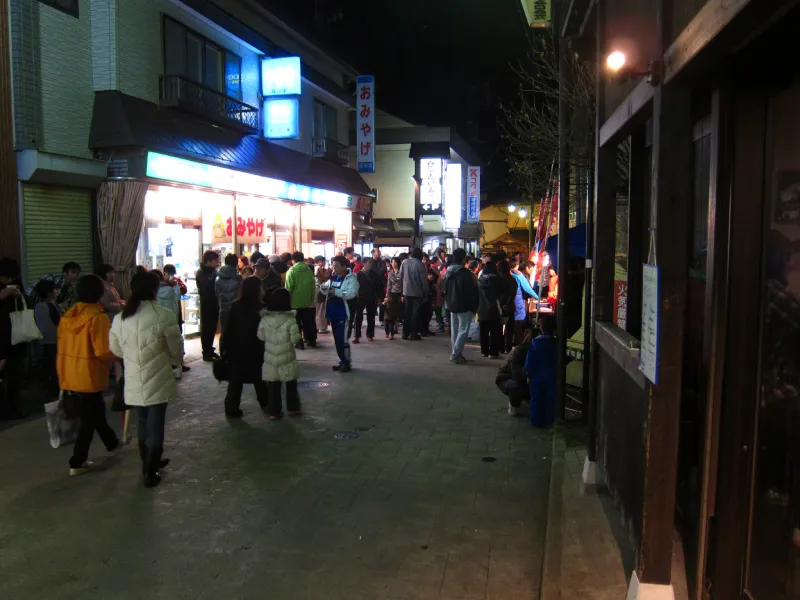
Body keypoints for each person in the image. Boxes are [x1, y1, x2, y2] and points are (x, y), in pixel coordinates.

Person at [109, 272, 184, 487]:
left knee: (142, 421)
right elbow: (176, 348)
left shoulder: (121, 318)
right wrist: (174, 362)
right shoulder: (164, 315)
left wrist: (132, 358)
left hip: (133, 378)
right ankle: (150, 470)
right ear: (154, 290)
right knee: (156, 423)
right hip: (158, 377)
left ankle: (148, 462)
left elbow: (115, 349)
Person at [58, 274, 120, 476]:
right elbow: (102, 350)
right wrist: (119, 354)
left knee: (96, 410)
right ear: (100, 293)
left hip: (70, 372)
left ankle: (112, 443)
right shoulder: (98, 318)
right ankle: (77, 461)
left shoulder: (68, 317)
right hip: (89, 374)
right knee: (89, 419)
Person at [223, 277, 269, 418]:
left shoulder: (236, 306)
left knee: (235, 381)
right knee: (260, 379)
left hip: (236, 349)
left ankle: (231, 408)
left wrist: (224, 348)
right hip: (257, 349)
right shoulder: (263, 309)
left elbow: (228, 329)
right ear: (257, 290)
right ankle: (266, 404)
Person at [257, 288, 301, 420]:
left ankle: (274, 411)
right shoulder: (290, 320)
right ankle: (293, 408)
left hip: (270, 358)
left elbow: (260, 336)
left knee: (273, 385)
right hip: (287, 357)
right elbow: (295, 339)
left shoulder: (265, 319)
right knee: (291, 382)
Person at [0, 257, 28, 420]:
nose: (8, 280)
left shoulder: (16, 284)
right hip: (3, 339)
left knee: (15, 375)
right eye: (5, 277)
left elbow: (25, 304)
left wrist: (18, 295)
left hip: (16, 337)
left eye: (11, 277)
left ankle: (13, 408)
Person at [320, 255, 359, 372]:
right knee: (337, 340)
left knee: (342, 339)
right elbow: (324, 289)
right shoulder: (333, 278)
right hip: (333, 313)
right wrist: (323, 285)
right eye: (333, 265)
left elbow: (351, 293)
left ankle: (346, 362)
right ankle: (342, 360)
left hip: (343, 314)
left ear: (344, 266)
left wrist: (336, 292)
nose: (334, 268)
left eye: (336, 265)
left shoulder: (351, 278)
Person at [442, 248, 479, 364]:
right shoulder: (467, 274)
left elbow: (443, 288)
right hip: (464, 305)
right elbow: (473, 292)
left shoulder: (448, 272)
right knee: (463, 330)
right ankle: (455, 354)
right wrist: (474, 306)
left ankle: (457, 354)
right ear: (464, 259)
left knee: (455, 330)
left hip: (451, 304)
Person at [525, 315, 557, 427]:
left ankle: (536, 421)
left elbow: (530, 361)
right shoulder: (556, 343)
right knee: (550, 400)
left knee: (536, 399)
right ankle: (549, 421)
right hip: (552, 376)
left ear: (541, 327)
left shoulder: (535, 342)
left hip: (537, 377)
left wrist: (529, 374)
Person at [496, 330, 533, 416]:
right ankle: (514, 403)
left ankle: (523, 400)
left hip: (517, 376)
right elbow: (517, 374)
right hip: (506, 378)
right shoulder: (518, 351)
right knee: (516, 386)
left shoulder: (528, 350)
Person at [34, 279, 60, 397]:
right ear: (49, 293)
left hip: (42, 340)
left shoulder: (37, 305)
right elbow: (58, 321)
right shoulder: (51, 305)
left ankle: (48, 387)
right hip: (53, 339)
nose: (56, 291)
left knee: (48, 364)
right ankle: (55, 390)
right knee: (55, 365)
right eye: (54, 289)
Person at [285, 251, 317, 349]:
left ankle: (299, 343)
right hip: (307, 301)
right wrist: (311, 298)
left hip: (294, 302)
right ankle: (312, 340)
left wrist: (287, 301)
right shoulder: (309, 271)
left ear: (293, 260)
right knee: (308, 321)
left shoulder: (291, 271)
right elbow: (313, 286)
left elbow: (288, 288)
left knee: (296, 323)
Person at [477, 262, 506, 359]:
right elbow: (502, 295)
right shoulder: (498, 280)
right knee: (495, 332)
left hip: (482, 309)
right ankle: (493, 352)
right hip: (494, 309)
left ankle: (484, 351)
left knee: (483, 332)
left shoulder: (480, 280)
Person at [398, 248, 428, 341]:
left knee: (407, 313)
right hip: (417, 293)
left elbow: (400, 275)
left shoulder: (405, 262)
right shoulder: (421, 264)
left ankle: (405, 333)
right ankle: (413, 334)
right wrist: (426, 293)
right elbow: (424, 281)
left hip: (406, 292)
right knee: (415, 314)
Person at [215, 253, 242, 355]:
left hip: (223, 308)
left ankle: (223, 354)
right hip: (235, 309)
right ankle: (233, 354)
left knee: (224, 332)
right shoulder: (238, 278)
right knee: (235, 332)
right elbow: (240, 295)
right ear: (235, 263)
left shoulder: (218, 278)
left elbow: (216, 294)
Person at [196, 250, 220, 361]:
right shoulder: (201, 272)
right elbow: (207, 287)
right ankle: (206, 352)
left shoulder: (213, 271)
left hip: (214, 304)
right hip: (207, 304)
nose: (217, 262)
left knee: (212, 328)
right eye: (215, 260)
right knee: (207, 329)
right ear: (208, 261)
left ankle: (210, 350)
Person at [354, 258, 383, 342]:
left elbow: (379, 286)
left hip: (372, 298)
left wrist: (380, 297)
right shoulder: (359, 274)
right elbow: (355, 287)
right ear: (363, 264)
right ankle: (357, 336)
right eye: (368, 263)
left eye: (370, 263)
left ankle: (370, 334)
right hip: (361, 298)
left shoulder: (374, 274)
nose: (370, 264)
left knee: (371, 317)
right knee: (358, 317)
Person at [510, 259, 538, 346]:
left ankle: (509, 343)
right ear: (517, 265)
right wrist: (538, 297)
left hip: (508, 300)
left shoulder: (508, 273)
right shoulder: (518, 275)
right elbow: (527, 288)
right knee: (519, 320)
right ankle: (518, 343)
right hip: (517, 299)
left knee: (510, 321)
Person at [498, 260, 519, 353]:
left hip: (499, 305)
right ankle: (508, 347)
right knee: (509, 328)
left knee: (499, 327)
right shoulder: (512, 279)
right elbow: (514, 292)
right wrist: (508, 302)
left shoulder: (497, 279)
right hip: (509, 305)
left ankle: (501, 347)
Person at [384, 256, 403, 339]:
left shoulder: (402, 272)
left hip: (401, 294)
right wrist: (387, 296)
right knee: (390, 314)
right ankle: (389, 332)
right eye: (392, 262)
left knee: (397, 314)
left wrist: (403, 295)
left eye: (395, 262)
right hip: (392, 294)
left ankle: (395, 329)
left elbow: (405, 283)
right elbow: (389, 285)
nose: (393, 264)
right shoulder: (390, 273)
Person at [418, 254, 437, 337]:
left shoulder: (430, 269)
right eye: (423, 259)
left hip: (429, 293)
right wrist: (427, 279)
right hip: (420, 294)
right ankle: (421, 330)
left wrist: (432, 279)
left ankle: (426, 329)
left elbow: (435, 278)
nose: (425, 261)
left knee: (428, 313)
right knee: (421, 313)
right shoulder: (418, 269)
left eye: (426, 260)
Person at [314, 256, 331, 334]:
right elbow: (324, 278)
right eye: (324, 261)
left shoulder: (313, 268)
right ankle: (321, 327)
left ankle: (317, 326)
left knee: (317, 309)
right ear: (320, 261)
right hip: (320, 291)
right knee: (321, 309)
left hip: (315, 291)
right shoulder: (319, 269)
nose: (324, 263)